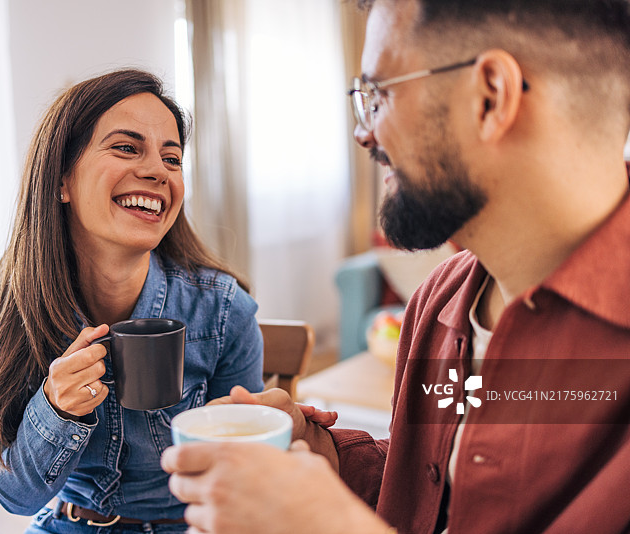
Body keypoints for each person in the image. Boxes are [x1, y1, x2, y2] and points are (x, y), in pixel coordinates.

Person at [161, 0, 630, 532]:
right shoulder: (442, 299)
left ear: (490, 96)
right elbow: (436, 490)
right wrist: (322, 455)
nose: (364, 133)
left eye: (378, 95)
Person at [0, 68, 264, 534]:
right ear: (62, 180)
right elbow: (13, 496)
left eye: (172, 158)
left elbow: (244, 481)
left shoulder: (223, 312)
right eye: (126, 147)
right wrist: (56, 410)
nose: (158, 170)